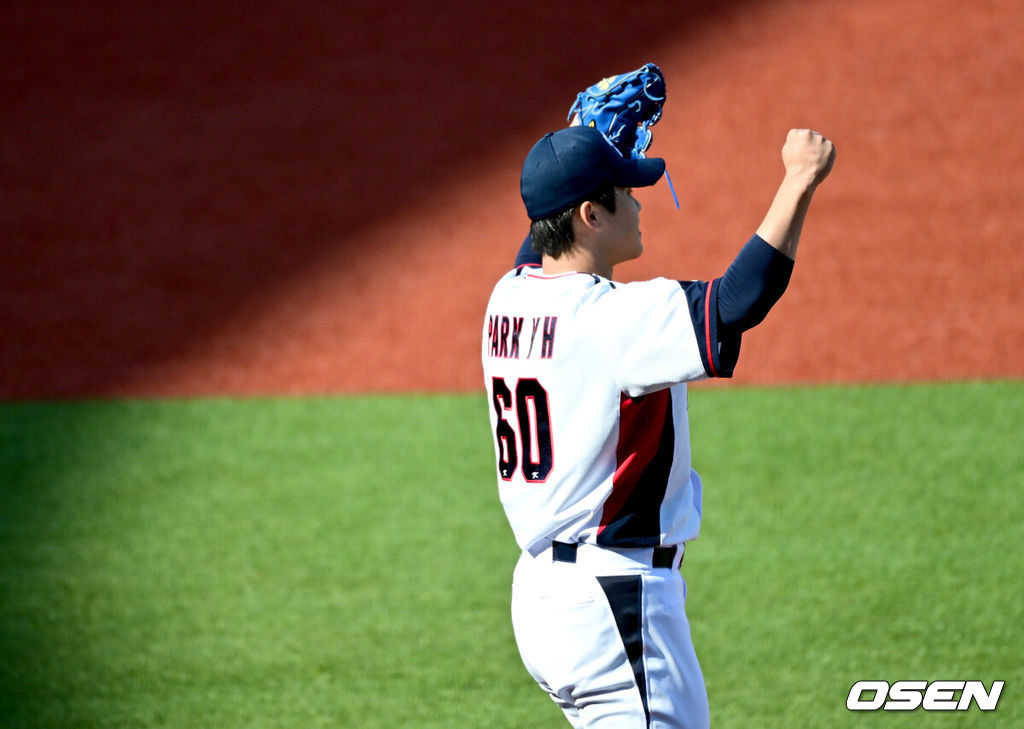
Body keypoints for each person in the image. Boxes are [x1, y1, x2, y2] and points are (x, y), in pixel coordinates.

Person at [481, 124, 834, 728]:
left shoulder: (508, 297)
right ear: (591, 214)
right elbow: (736, 301)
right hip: (613, 603)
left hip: (545, 599)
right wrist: (799, 179)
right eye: (627, 190)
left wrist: (575, 144)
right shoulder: (611, 320)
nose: (641, 203)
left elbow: (541, 237)